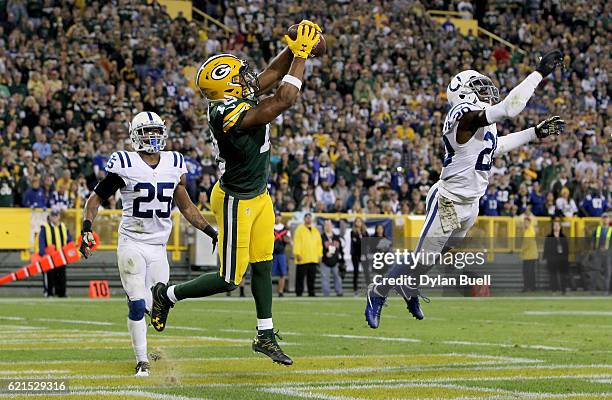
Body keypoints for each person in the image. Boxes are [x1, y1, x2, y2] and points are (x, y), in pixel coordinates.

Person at [150, 20, 323, 366]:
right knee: (231, 278)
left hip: (259, 194)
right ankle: (166, 294)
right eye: (239, 76)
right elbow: (284, 98)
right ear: (226, 88)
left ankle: (265, 334)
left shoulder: (234, 96)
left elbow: (272, 74)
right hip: (235, 199)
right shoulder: (225, 112)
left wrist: (291, 49)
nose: (247, 79)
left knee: (263, 264)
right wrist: (302, 56)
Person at [365, 50, 565, 329]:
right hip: (448, 199)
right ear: (462, 94)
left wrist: (534, 133)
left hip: (471, 204)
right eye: (478, 87)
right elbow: (510, 108)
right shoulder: (462, 116)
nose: (486, 91)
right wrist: (539, 73)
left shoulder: (481, 124)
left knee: (437, 254)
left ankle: (408, 287)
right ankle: (378, 292)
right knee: (422, 256)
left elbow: (498, 146)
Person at [78, 111, 218, 377]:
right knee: (136, 302)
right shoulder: (125, 163)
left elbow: (186, 205)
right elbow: (94, 199)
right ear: (134, 136)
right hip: (132, 242)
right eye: (146, 132)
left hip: (158, 247)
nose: (152, 137)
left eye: (156, 131)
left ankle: (149, 320)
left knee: (156, 305)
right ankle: (142, 360)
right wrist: (86, 227)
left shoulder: (174, 162)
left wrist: (211, 232)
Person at [39, 210, 73, 297]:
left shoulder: (63, 227)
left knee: (61, 275)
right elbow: (41, 240)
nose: (54, 218)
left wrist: (71, 250)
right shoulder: (45, 228)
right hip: (50, 256)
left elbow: (69, 240)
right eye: (53, 216)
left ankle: (61, 293)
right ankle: (49, 292)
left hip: (61, 256)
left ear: (59, 217)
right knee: (50, 275)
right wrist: (42, 253)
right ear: (50, 217)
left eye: (56, 216)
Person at [293, 212, 323, 297]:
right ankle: (299, 293)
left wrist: (320, 254)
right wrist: (297, 253)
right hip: (303, 258)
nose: (308, 219)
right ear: (304, 219)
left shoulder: (315, 230)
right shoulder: (300, 229)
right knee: (300, 278)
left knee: (312, 278)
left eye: (310, 218)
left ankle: (311, 292)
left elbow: (319, 244)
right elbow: (297, 242)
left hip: (313, 257)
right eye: (307, 218)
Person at [543, 218, 569, 294]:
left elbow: (566, 249)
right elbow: (546, 247)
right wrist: (546, 257)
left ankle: (563, 290)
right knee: (553, 275)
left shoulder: (563, 237)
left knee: (563, 275)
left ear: (560, 227)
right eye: (555, 225)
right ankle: (554, 290)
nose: (556, 227)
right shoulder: (549, 237)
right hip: (552, 259)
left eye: (558, 225)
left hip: (562, 259)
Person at [320, 220, 344, 297]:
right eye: (326, 225)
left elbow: (340, 249)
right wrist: (324, 254)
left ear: (332, 226)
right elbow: (318, 248)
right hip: (325, 261)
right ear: (324, 227)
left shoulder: (336, 237)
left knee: (337, 278)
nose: (328, 227)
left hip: (335, 261)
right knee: (325, 279)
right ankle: (326, 293)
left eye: (329, 225)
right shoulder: (321, 237)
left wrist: (341, 260)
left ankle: (339, 292)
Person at [272, 211, 291, 297]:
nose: (277, 218)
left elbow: (289, 240)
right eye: (276, 216)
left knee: (282, 274)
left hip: (281, 253)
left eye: (278, 216)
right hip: (271, 253)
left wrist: (286, 239)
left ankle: (280, 291)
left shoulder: (285, 229)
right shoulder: (270, 227)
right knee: (269, 274)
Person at [591, 213, 611, 295]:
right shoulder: (597, 229)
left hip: (608, 254)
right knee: (595, 271)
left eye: (607, 218)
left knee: (607, 272)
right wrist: (593, 250)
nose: (605, 220)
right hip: (598, 253)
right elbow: (592, 240)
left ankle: (606, 291)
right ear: (602, 219)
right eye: (604, 218)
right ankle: (593, 290)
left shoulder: (611, 230)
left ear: (609, 220)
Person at [350, 217, 369, 294]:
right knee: (356, 272)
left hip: (364, 254)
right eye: (357, 221)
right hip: (356, 254)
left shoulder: (365, 232)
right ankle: (355, 289)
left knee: (366, 272)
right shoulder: (352, 232)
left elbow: (367, 242)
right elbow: (356, 244)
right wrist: (361, 242)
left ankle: (369, 288)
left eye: (359, 221)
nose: (358, 223)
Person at [521, 214, 538, 292]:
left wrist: (521, 251)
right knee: (528, 272)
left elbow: (527, 243)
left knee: (529, 273)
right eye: (524, 222)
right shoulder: (528, 230)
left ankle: (530, 287)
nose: (525, 224)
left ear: (529, 223)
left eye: (526, 222)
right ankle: (529, 287)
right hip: (529, 255)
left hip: (530, 255)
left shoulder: (530, 230)